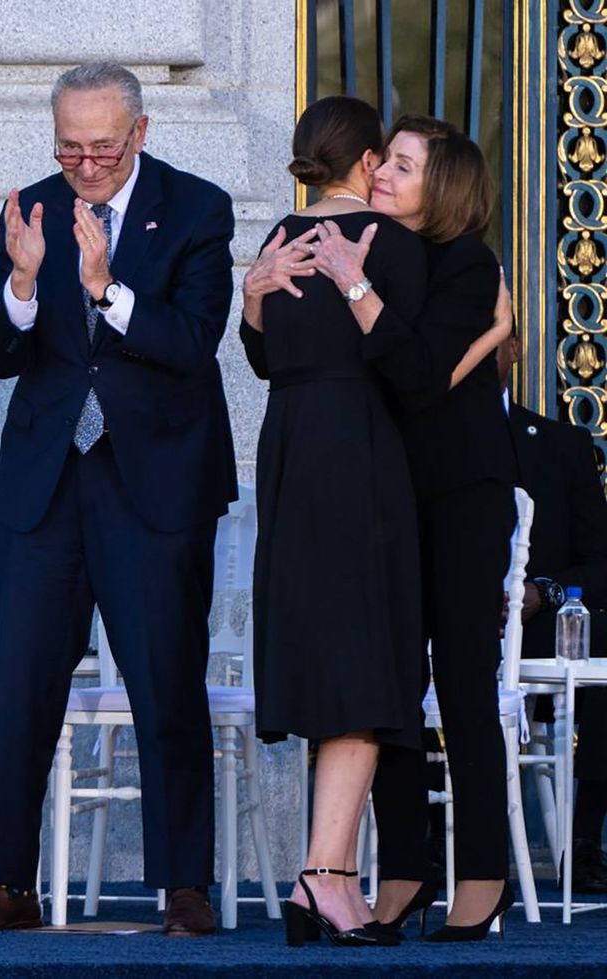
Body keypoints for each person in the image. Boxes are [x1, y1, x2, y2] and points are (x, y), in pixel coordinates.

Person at [0, 62, 236, 936]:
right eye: (69, 147)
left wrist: (107, 287)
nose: (86, 163)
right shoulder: (31, 206)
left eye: (102, 147)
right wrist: (25, 284)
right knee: (24, 683)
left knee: (166, 682)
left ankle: (184, 884)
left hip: (153, 480)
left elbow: (191, 343)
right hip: (49, 482)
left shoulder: (196, 208)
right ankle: (4, 882)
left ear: (139, 132)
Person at [310, 114, 519, 941]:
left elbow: (421, 375)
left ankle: (484, 872)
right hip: (385, 493)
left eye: (401, 164)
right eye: (382, 160)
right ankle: (403, 869)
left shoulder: (467, 262)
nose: (382, 173)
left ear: (447, 186)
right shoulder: (379, 250)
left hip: (462, 494)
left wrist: (358, 290)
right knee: (390, 686)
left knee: (463, 683)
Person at [240, 95, 429, 948]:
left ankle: (335, 880)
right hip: (359, 447)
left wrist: (253, 301)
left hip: (290, 450)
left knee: (332, 658)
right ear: (360, 162)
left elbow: (265, 356)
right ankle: (323, 878)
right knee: (362, 660)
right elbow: (409, 360)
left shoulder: (277, 241)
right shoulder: (389, 244)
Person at [498, 330, 607, 892]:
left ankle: (584, 843)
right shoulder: (417, 438)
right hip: (443, 632)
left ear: (513, 348)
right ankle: (425, 841)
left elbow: (600, 562)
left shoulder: (562, 444)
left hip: (539, 629)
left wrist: (544, 591)